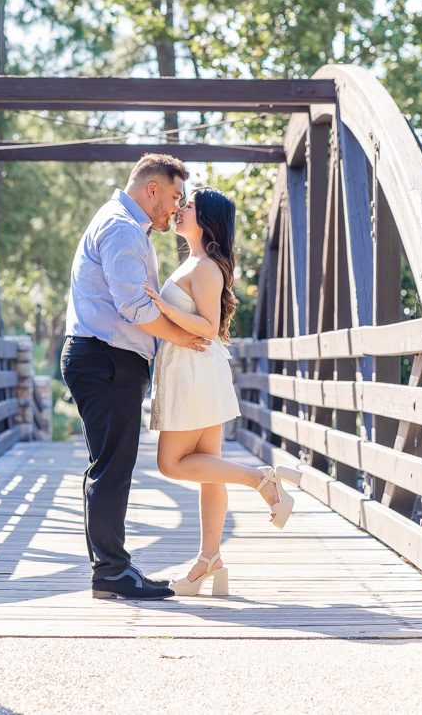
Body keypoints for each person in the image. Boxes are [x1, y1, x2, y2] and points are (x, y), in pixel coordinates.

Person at [61, 154, 211, 601]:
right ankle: (111, 572)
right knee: (111, 467)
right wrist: (181, 338)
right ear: (151, 188)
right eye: (173, 197)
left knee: (109, 466)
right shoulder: (124, 228)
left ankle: (112, 568)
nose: (174, 208)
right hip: (105, 359)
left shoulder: (123, 225)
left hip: (104, 358)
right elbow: (135, 308)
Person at [147, 186, 301, 596]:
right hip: (195, 369)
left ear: (207, 219)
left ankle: (261, 480)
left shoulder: (205, 268)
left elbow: (208, 328)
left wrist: (163, 309)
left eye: (190, 206)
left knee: (171, 463)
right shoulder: (198, 263)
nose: (180, 209)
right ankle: (209, 560)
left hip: (193, 372)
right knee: (208, 470)